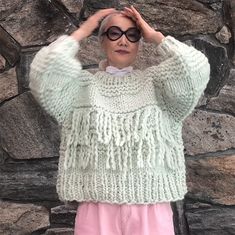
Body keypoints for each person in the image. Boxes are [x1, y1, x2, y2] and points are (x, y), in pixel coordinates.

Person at [29, 6, 210, 235]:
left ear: (138, 42)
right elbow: (42, 74)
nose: (123, 41)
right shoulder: (80, 89)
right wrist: (82, 31)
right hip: (96, 207)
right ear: (102, 41)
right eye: (114, 33)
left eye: (132, 35)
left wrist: (155, 36)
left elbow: (197, 70)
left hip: (151, 206)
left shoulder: (159, 86)